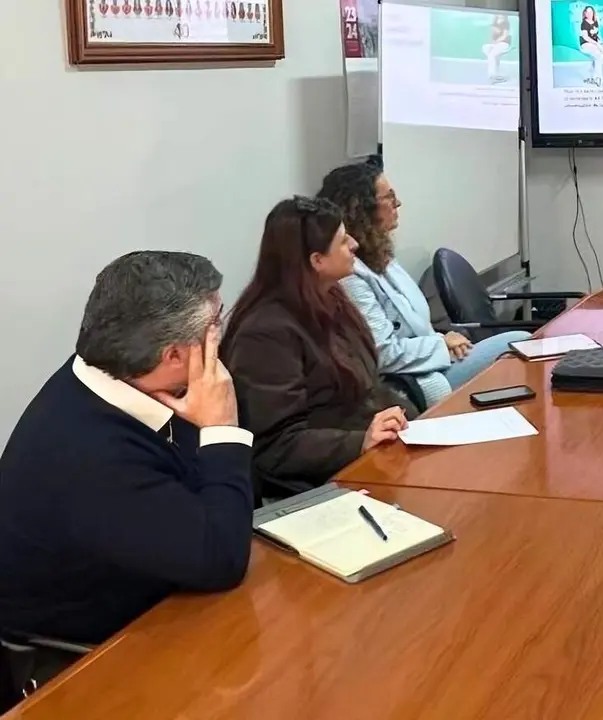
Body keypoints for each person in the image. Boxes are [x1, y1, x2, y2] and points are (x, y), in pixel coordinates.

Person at [0, 251, 252, 647]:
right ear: (173, 355)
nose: (223, 334)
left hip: (158, 592)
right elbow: (221, 559)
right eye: (216, 324)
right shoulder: (89, 457)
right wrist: (221, 427)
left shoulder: (119, 372)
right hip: (87, 660)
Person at [222, 197, 412, 498]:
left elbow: (368, 387)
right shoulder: (265, 334)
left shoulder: (332, 297)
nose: (354, 245)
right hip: (325, 481)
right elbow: (276, 445)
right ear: (316, 260)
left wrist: (412, 421)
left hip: (371, 456)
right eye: (341, 241)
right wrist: (360, 440)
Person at [318, 160, 530, 412]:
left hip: (431, 361)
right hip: (414, 381)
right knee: (521, 344)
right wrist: (440, 345)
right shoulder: (349, 276)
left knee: (523, 345)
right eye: (389, 197)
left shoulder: (380, 256)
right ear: (361, 208)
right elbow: (383, 352)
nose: (398, 204)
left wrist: (442, 337)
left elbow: (413, 326)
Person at [578, 5, 603, 86]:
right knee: (598, 55)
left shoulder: (596, 22)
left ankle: (592, 75)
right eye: (588, 12)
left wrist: (599, 42)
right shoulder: (584, 23)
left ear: (593, 13)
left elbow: (595, 35)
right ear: (585, 13)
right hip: (585, 43)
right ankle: (599, 77)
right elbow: (586, 37)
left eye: (591, 12)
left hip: (594, 43)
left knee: (601, 54)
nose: (590, 13)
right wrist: (597, 44)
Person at [481, 14, 512, 84]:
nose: (501, 16)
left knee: (492, 55)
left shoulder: (506, 24)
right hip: (495, 43)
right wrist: (492, 44)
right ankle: (494, 74)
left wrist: (495, 44)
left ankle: (492, 75)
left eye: (502, 15)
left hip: (504, 43)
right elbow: (492, 36)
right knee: (487, 50)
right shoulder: (494, 24)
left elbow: (504, 36)